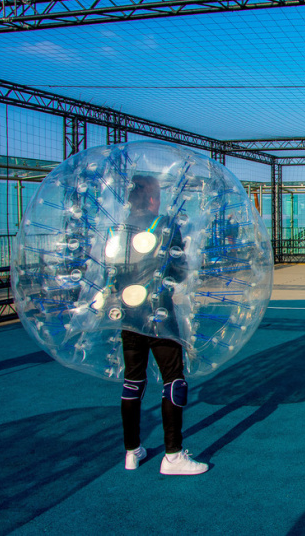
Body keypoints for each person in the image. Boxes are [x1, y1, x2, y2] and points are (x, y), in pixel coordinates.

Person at [116, 174, 208, 475]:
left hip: (128, 313)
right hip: (159, 314)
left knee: (133, 381)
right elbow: (180, 269)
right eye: (158, 194)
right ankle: (173, 455)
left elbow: (111, 268)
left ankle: (132, 451)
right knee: (174, 380)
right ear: (153, 198)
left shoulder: (118, 227)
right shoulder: (166, 226)